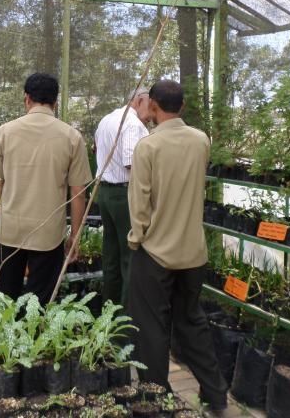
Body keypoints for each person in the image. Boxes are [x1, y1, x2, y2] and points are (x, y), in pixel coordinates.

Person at [126, 79, 227, 413]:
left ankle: (157, 397)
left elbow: (139, 203)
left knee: (151, 327)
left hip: (155, 252)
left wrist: (137, 238)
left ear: (153, 106)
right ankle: (215, 393)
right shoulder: (201, 140)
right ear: (182, 106)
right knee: (191, 322)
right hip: (193, 252)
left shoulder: (148, 146)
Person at [0, 73, 92, 303]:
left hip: (10, 230)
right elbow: (78, 192)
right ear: (55, 102)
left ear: (27, 98)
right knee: (40, 303)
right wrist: (75, 236)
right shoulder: (72, 137)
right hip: (49, 234)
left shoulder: (5, 131)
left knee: (5, 300)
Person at [93, 87, 150, 307]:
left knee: (111, 254)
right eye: (151, 105)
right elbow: (131, 163)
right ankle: (127, 315)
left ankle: (109, 309)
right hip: (124, 194)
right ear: (139, 100)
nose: (152, 113)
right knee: (130, 255)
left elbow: (96, 148)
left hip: (105, 193)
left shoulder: (107, 119)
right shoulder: (133, 124)